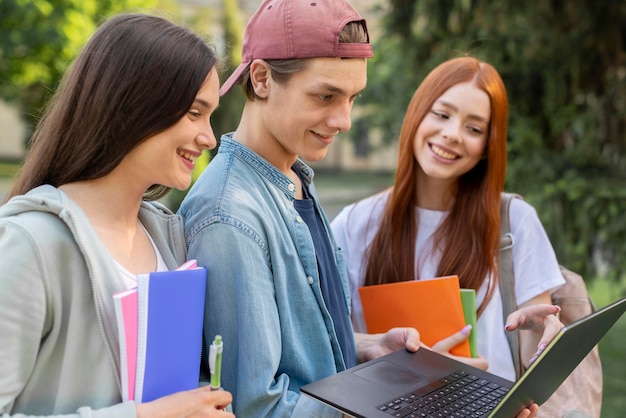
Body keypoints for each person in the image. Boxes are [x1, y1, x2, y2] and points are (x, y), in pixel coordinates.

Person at [178, 0, 422, 416]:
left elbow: (295, 347)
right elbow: (257, 405)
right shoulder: (229, 216)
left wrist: (364, 347)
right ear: (261, 79)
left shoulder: (293, 177)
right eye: (326, 96)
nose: (344, 120)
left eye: (352, 98)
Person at [0, 13, 234, 418]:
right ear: (135, 104)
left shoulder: (169, 236)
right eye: (195, 113)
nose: (209, 137)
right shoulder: (29, 244)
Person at [330, 56, 565, 391]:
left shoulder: (514, 222)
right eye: (441, 115)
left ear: (487, 147)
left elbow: (531, 357)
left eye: (474, 129)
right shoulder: (355, 224)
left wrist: (541, 332)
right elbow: (327, 340)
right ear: (417, 114)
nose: (452, 134)